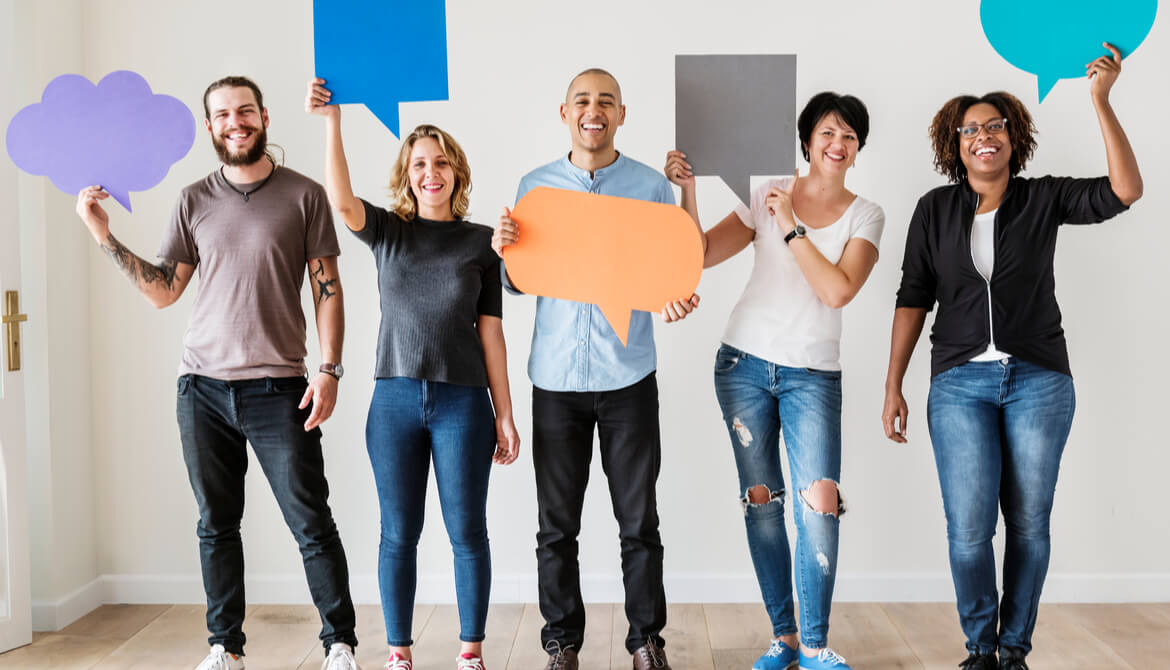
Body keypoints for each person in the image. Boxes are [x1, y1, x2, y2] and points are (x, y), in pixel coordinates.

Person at [75, 76, 361, 670]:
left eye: (246, 111)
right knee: (216, 525)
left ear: (264, 117)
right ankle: (225, 648)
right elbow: (164, 292)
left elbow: (326, 290)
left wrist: (330, 369)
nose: (236, 122)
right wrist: (102, 234)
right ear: (211, 127)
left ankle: (339, 643)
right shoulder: (192, 199)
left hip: (280, 387)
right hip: (201, 389)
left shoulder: (304, 196)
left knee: (310, 520)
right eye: (224, 114)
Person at [881, 44, 1142, 670]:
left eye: (994, 125)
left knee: (1029, 524)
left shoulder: (1043, 197)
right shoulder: (934, 209)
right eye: (971, 129)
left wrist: (1100, 102)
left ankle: (1013, 651)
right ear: (955, 143)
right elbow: (913, 295)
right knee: (970, 530)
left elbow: (1125, 191)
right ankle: (980, 649)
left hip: (1040, 381)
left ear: (1013, 136)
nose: (984, 136)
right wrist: (893, 384)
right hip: (959, 384)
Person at [306, 79, 520, 670]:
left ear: (457, 172)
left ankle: (470, 652)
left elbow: (491, 335)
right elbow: (340, 198)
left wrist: (504, 414)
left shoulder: (484, 244)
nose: (432, 172)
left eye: (441, 162)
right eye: (420, 163)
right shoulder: (388, 232)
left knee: (466, 532)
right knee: (397, 533)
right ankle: (398, 653)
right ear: (406, 174)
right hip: (394, 401)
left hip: (463, 404)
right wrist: (333, 123)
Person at [665, 92, 882, 670]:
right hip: (743, 366)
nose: (837, 145)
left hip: (814, 374)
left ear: (859, 149)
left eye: (849, 137)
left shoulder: (866, 215)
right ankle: (785, 639)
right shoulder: (766, 192)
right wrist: (688, 190)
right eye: (826, 134)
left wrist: (791, 227)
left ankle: (815, 644)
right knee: (762, 503)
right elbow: (703, 253)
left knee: (819, 503)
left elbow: (837, 290)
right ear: (807, 139)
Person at [492, 68, 698, 670]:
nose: (594, 110)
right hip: (555, 382)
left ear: (622, 114)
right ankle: (561, 642)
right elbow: (517, 281)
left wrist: (676, 299)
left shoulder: (652, 188)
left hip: (629, 378)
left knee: (639, 522)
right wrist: (505, 252)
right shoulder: (535, 188)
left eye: (606, 101)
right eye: (583, 100)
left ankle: (645, 640)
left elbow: (674, 275)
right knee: (555, 526)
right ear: (564, 112)